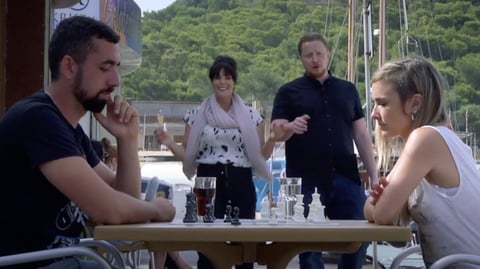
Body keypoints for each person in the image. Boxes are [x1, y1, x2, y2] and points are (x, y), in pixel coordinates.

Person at [0, 16, 175, 269]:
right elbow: (109, 210)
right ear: (69, 67)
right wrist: (156, 209)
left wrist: (126, 140)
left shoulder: (68, 129)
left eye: (116, 67)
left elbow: (122, 199)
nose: (115, 81)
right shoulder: (38, 119)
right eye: (105, 68)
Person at [154, 55, 274, 269]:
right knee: (208, 247)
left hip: (241, 180)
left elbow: (260, 155)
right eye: (217, 77)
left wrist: (274, 138)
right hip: (207, 183)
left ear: (234, 81)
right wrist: (170, 143)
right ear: (211, 81)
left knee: (245, 246)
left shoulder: (251, 115)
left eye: (227, 77)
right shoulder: (197, 114)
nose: (222, 82)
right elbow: (188, 155)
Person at [270, 32, 378, 269]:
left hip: (346, 176)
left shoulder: (348, 90)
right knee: (308, 247)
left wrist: (374, 174)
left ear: (328, 54)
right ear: (301, 58)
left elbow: (360, 134)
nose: (315, 59)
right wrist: (291, 125)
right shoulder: (288, 92)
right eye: (308, 55)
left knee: (359, 237)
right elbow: (276, 132)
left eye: (319, 53)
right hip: (305, 179)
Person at [364, 57, 480, 267]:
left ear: (415, 103)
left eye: (382, 103)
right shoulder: (441, 137)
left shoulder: (425, 139)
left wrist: (379, 204)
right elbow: (377, 213)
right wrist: (378, 205)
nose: (373, 114)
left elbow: (381, 214)